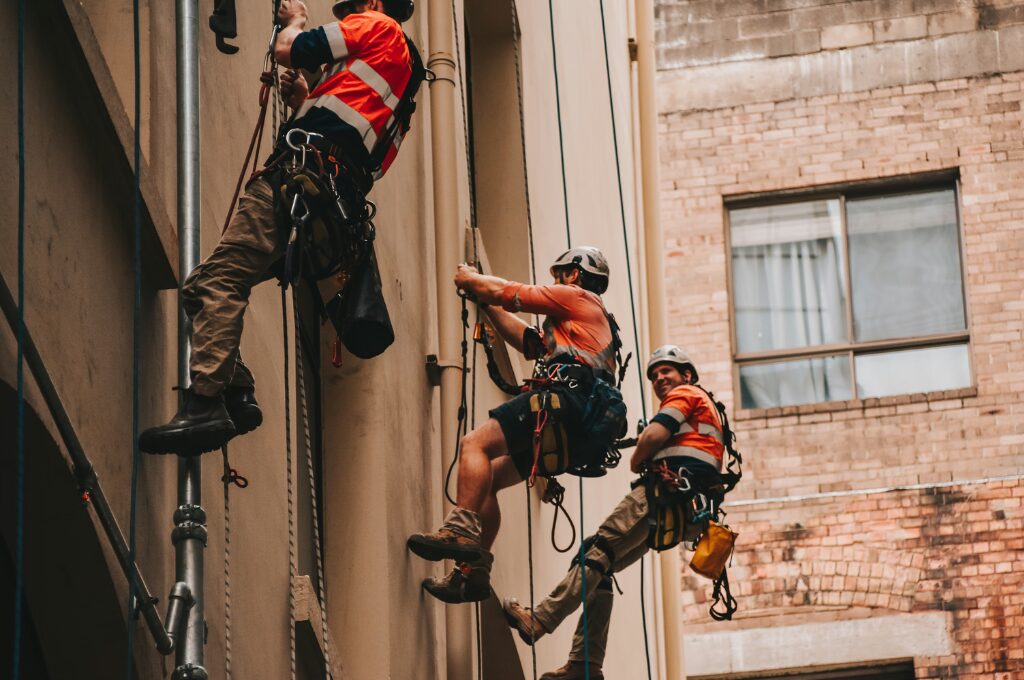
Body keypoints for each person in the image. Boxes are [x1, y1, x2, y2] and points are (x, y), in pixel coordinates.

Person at [139, 0, 419, 455]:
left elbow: (291, 49)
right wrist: (305, 97)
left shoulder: (375, 24)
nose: (348, 16)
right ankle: (237, 392)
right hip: (330, 203)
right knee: (204, 287)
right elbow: (349, 129)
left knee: (217, 282)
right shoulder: (400, 83)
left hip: (299, 180)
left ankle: (206, 403)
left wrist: (294, 23)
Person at [406, 247, 626, 604]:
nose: (555, 281)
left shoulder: (575, 297)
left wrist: (471, 279)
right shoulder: (583, 327)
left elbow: (511, 293)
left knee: (474, 445)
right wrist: (486, 303)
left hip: (563, 401)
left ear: (574, 274)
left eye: (560, 274)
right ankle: (473, 573)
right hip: (576, 424)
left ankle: (459, 531)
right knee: (487, 479)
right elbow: (528, 343)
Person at [501, 345, 727, 680]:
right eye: (655, 375)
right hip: (683, 510)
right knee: (600, 566)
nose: (660, 378)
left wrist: (638, 460)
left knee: (598, 551)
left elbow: (654, 434)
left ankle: (542, 618)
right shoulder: (709, 411)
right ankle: (584, 665)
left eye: (667, 370)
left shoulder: (686, 394)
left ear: (687, 375)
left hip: (660, 494)